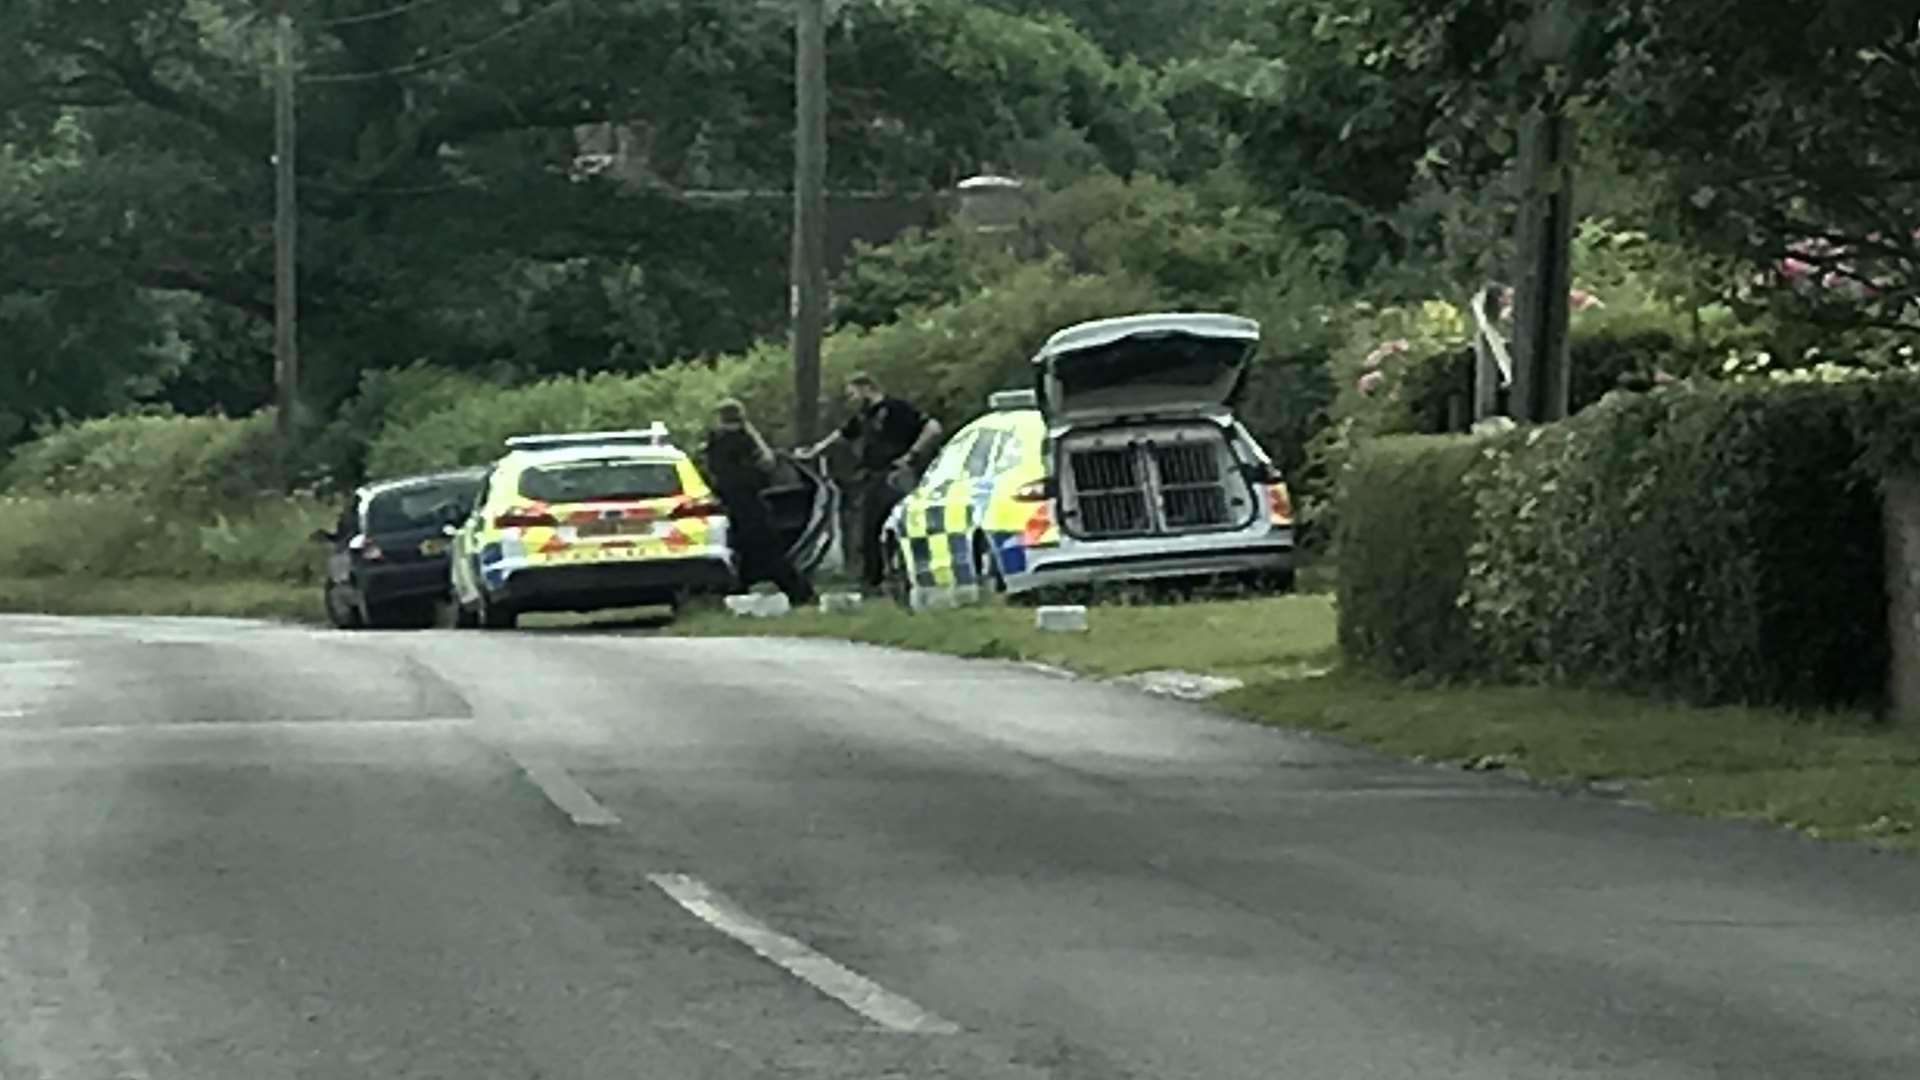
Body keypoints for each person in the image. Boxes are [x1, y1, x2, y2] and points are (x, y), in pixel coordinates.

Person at [796, 373, 943, 590]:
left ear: (867, 388)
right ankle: (874, 580)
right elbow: (841, 435)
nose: (851, 400)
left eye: (852, 394)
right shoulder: (864, 416)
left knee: (899, 526)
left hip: (896, 474)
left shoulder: (895, 408)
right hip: (873, 476)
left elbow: (933, 428)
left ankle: (908, 575)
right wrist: (814, 451)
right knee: (871, 529)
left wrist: (911, 455)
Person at [702, 400, 815, 606]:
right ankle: (798, 593)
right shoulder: (745, 440)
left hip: (730, 503)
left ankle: (735, 594)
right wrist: (752, 431)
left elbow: (713, 472)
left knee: (744, 551)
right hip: (751, 502)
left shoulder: (716, 441)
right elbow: (768, 462)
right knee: (768, 550)